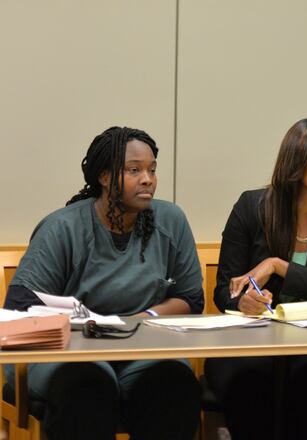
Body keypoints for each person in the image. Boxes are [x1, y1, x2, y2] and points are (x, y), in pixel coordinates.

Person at [4, 126, 204, 440]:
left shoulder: (171, 220)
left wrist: (141, 320)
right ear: (105, 177)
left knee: (174, 384)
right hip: (66, 354)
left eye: (152, 170)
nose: (148, 179)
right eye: (134, 170)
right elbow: (18, 307)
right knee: (87, 388)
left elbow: (191, 299)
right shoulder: (63, 228)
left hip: (141, 350)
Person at [205, 118, 307, 440]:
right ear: (295, 159)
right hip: (252, 346)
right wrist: (245, 301)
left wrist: (278, 266)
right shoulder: (251, 207)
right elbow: (225, 291)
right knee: (250, 383)